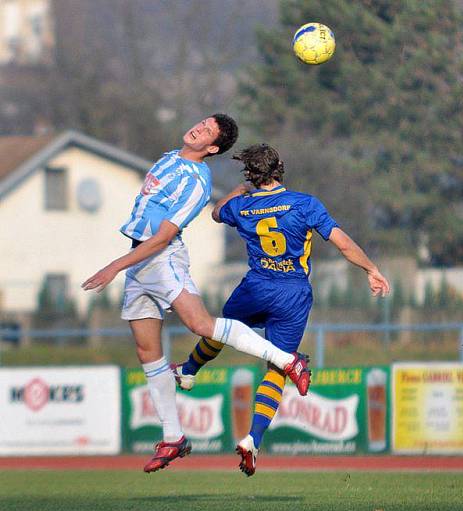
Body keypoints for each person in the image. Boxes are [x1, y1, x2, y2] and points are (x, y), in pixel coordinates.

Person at [81, 116, 311, 474]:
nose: (198, 129)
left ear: (213, 148)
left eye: (207, 132)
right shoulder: (171, 157)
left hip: (161, 258)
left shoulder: (196, 183)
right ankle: (173, 437)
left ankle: (286, 360)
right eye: (201, 123)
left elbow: (161, 237)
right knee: (147, 350)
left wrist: (115, 266)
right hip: (140, 260)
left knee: (200, 324)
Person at [172, 143, 390, 476]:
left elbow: (217, 212)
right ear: (280, 168)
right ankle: (252, 439)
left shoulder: (242, 208)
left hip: (256, 288)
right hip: (293, 294)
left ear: (250, 175)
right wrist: (371, 270)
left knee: (220, 329)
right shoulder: (305, 204)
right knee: (277, 368)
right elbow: (342, 243)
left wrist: (241, 188)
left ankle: (188, 371)